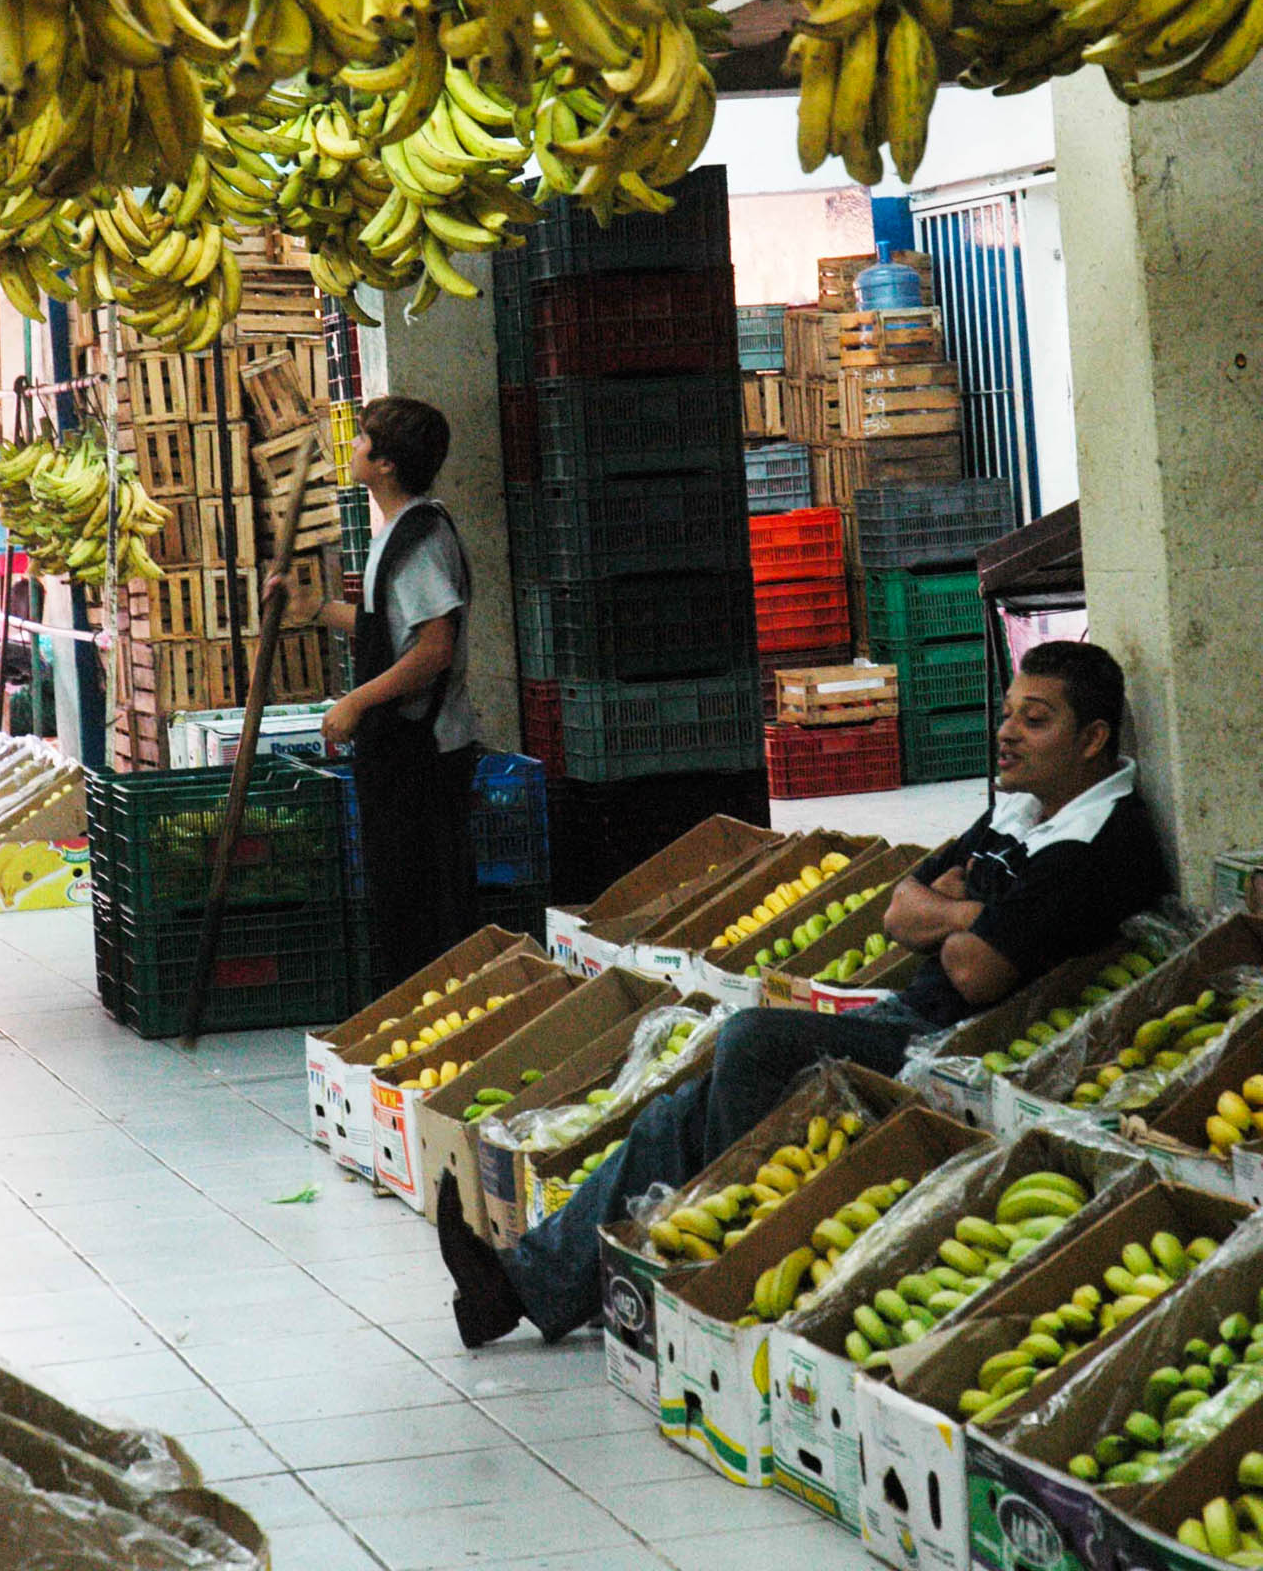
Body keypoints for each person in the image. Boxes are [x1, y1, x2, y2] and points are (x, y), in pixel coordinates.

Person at [437, 639, 1168, 1348]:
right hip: (917, 1016)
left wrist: (957, 916)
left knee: (755, 1041)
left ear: (1093, 738)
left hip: (968, 1050)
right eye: (1007, 712)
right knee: (685, 1105)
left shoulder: (1100, 842)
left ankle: (732, 1256)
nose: (1006, 733)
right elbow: (898, 911)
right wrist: (977, 917)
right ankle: (520, 1287)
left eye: (1034, 720)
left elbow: (976, 972)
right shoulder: (1021, 809)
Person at [271, 397, 480, 984]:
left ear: (386, 465)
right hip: (406, 749)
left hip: (425, 752)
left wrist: (356, 701)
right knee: (402, 897)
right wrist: (312, 608)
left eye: (363, 441)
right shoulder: (398, 530)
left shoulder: (418, 539)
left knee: (423, 905)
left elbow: (433, 649)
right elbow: (385, 626)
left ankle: (437, 1012)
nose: (355, 448)